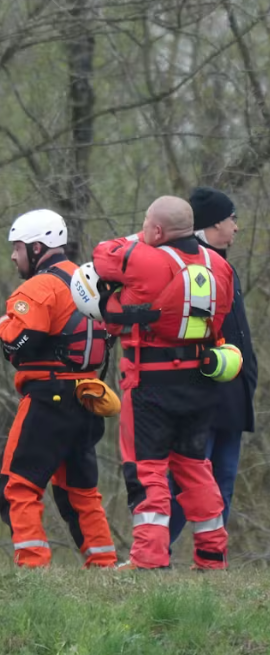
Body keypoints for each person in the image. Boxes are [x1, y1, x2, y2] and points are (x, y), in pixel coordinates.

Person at [93, 196, 237, 570]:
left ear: (156, 230)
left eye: (146, 224)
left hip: (150, 384)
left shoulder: (146, 258)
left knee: (147, 469)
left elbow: (103, 255)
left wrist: (135, 239)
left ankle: (149, 558)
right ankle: (211, 556)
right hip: (200, 382)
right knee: (194, 466)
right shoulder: (219, 266)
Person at [0, 209, 116, 568]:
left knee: (18, 485)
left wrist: (3, 325)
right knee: (81, 491)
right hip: (87, 398)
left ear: (36, 247)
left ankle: (33, 565)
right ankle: (104, 565)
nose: (13, 256)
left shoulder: (40, 287)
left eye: (17, 248)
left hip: (49, 398)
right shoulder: (87, 278)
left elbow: (19, 343)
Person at [169, 188, 257, 542]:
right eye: (232, 219)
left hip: (232, 396)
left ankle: (212, 554)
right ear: (213, 223)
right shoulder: (189, 266)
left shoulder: (225, 266)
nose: (237, 227)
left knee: (225, 478)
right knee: (185, 479)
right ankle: (157, 553)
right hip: (198, 396)